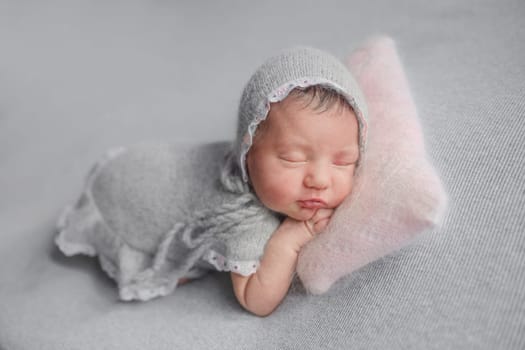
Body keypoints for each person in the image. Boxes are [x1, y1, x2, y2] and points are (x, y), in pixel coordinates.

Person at [55, 46, 368, 317]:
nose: (319, 179)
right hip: (122, 199)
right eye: (292, 158)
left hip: (142, 163)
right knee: (148, 222)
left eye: (343, 161)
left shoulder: (263, 164)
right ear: (247, 151)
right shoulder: (245, 216)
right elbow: (255, 300)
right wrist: (290, 238)